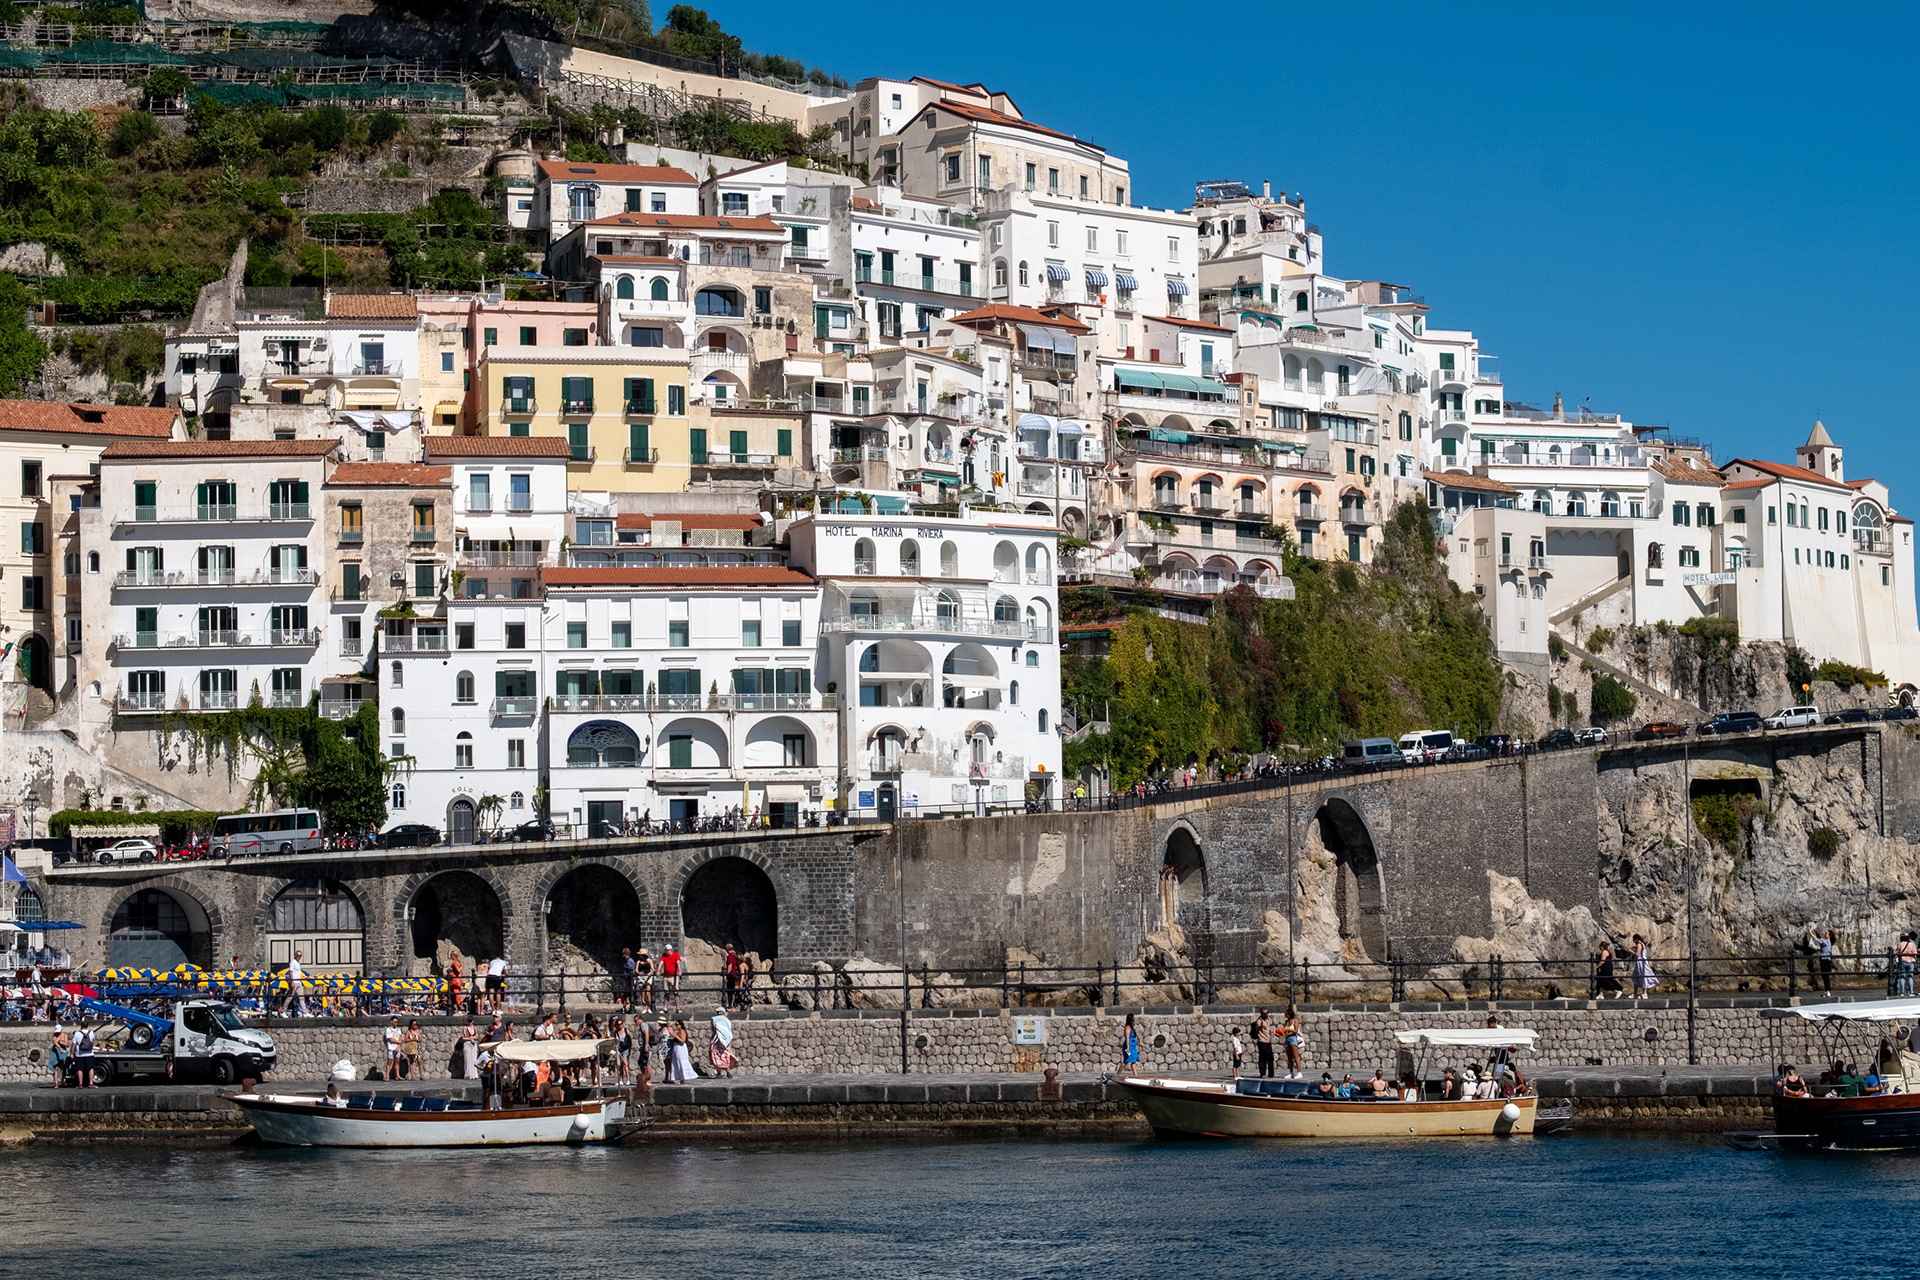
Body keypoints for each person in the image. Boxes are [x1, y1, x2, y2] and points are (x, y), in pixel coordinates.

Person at [708, 1007, 738, 1077]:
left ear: (722, 1012)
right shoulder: (723, 1020)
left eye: (719, 1012)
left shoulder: (724, 1021)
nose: (717, 1013)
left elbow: (724, 1030)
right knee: (716, 1057)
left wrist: (717, 1026)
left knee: (723, 1057)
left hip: (722, 1043)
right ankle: (719, 1073)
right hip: (716, 1042)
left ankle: (727, 1072)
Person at [666, 1019, 694, 1083]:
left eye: (677, 1024)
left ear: (681, 1025)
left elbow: (682, 1040)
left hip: (681, 1048)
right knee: (677, 1062)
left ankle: (683, 1078)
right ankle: (681, 1078)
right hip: (677, 1048)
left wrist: (675, 1035)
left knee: (681, 1062)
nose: (676, 1026)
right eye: (675, 1024)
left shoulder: (682, 1031)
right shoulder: (679, 1031)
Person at [1279, 1004, 1304, 1079]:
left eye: (1286, 1013)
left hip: (1293, 1038)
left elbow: (1296, 1031)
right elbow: (1285, 1031)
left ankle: (1299, 1072)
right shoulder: (1287, 1022)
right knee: (1289, 1057)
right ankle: (1291, 1072)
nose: (1285, 1015)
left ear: (1289, 1014)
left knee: (1296, 1056)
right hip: (1287, 1038)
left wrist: (1288, 1029)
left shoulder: (1295, 1021)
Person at [72, 1020, 97, 1089]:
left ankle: (80, 1084)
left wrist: (71, 1053)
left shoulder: (77, 1033)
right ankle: (91, 1083)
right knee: (91, 1068)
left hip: (80, 1054)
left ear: (81, 1026)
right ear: (87, 1026)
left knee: (80, 1069)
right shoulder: (91, 1033)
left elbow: (74, 1044)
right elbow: (92, 1041)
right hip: (89, 1053)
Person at [1252, 1007, 1274, 1079]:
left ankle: (1271, 1073)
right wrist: (1261, 1026)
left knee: (1270, 1058)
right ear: (1261, 1013)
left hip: (1268, 1041)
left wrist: (1271, 1032)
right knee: (1262, 1058)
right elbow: (1257, 1027)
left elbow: (1267, 1030)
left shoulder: (1267, 1020)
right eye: (1265, 1013)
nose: (1266, 1014)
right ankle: (1262, 1073)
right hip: (1262, 1041)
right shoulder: (1259, 1020)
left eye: (1267, 1013)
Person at [286, 949, 309, 1017]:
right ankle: (283, 1010)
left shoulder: (298, 963)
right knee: (290, 997)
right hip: (294, 982)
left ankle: (304, 1012)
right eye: (298, 955)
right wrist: (292, 981)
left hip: (299, 982)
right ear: (295, 955)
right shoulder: (293, 962)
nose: (299, 957)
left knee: (301, 997)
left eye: (300, 956)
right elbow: (291, 972)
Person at [723, 944, 744, 1011]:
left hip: (732, 976)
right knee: (737, 991)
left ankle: (730, 1006)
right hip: (737, 976)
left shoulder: (729, 957)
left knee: (730, 992)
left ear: (727, 949)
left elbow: (730, 966)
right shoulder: (735, 955)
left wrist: (726, 976)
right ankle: (739, 1005)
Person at [661, 945, 682, 1009]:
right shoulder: (664, 955)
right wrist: (658, 971)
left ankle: (678, 1008)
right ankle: (665, 1008)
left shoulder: (676, 955)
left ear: (671, 950)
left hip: (673, 976)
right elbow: (661, 963)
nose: (666, 952)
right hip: (666, 976)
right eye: (665, 950)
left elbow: (678, 963)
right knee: (666, 992)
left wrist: (679, 971)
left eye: (667, 950)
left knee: (675, 992)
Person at [1899, 933, 1918, 997]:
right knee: (1910, 976)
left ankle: (1902, 992)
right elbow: (1915, 952)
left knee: (1902, 976)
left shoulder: (1900, 944)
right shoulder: (1912, 944)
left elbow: (1898, 952)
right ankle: (1911, 991)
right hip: (1911, 961)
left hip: (1903, 961)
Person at [1816, 929, 1835, 994]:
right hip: (1825, 960)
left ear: (1829, 936)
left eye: (1826, 933)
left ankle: (1828, 991)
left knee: (1825, 976)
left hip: (1825, 960)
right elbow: (1821, 949)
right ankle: (1827, 990)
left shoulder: (1826, 941)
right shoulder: (1828, 943)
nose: (1825, 934)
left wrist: (1811, 932)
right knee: (1824, 976)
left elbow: (1817, 940)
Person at [619, 948, 636, 1014]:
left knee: (627, 994)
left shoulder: (629, 961)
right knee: (625, 994)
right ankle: (624, 1007)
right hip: (627, 979)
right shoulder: (627, 960)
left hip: (629, 979)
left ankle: (628, 1007)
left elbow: (631, 969)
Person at [447, 949, 464, 1015]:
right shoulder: (458, 962)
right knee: (454, 995)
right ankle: (457, 1008)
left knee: (456, 995)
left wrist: (451, 970)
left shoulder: (455, 962)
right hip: (457, 980)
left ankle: (459, 1007)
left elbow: (458, 970)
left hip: (455, 981)